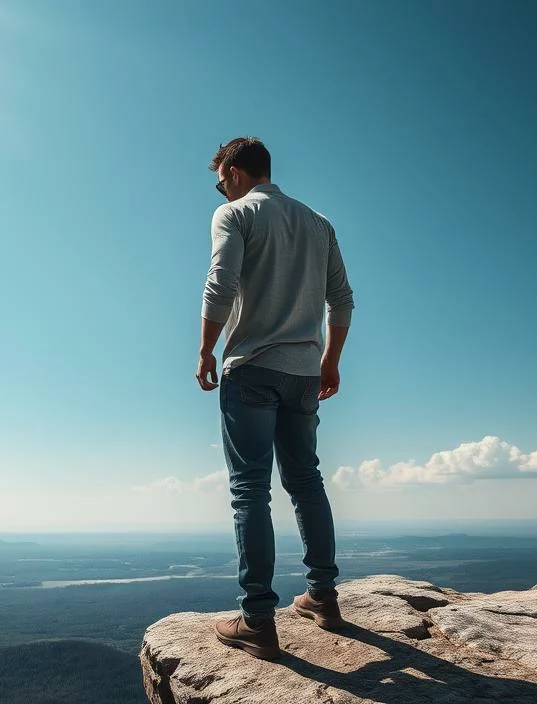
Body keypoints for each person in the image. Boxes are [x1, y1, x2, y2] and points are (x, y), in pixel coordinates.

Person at [195, 137, 355, 660]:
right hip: (305, 373)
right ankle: (323, 598)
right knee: (306, 481)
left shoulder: (236, 216)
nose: (221, 194)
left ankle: (258, 620)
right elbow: (342, 299)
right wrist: (330, 361)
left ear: (237, 173)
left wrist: (205, 350)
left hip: (254, 369)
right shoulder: (319, 223)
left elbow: (220, 284)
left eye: (222, 183)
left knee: (249, 491)